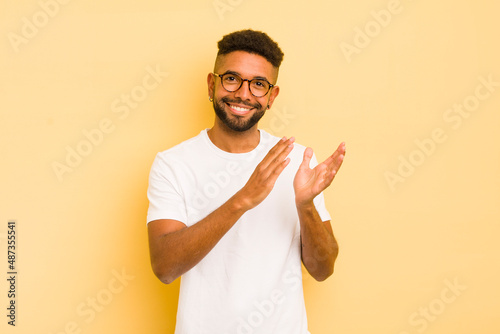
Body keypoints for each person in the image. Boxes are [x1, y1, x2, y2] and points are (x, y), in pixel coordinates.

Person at [147, 29, 346, 334]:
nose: (243, 93)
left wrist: (305, 206)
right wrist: (242, 200)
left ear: (271, 97)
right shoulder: (173, 164)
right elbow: (165, 266)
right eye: (231, 79)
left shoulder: (297, 161)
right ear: (212, 84)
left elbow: (323, 269)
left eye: (258, 84)